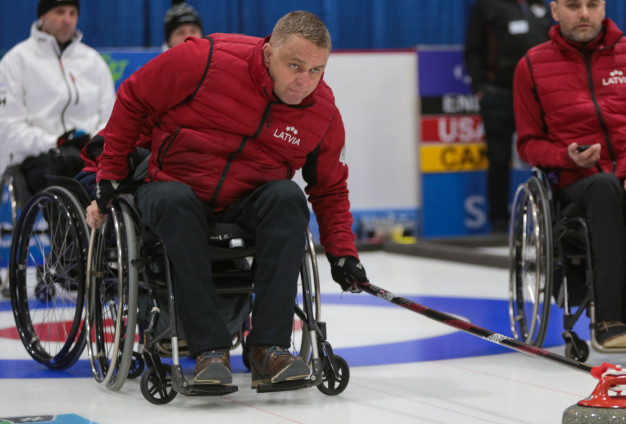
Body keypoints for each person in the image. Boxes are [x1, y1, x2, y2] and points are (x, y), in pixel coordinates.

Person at [85, 11, 369, 387]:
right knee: (175, 201)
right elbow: (134, 97)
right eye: (295, 65)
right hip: (173, 183)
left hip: (247, 199)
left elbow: (330, 188)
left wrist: (343, 253)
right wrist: (110, 175)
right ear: (269, 53)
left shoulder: (323, 112)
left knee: (288, 197)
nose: (304, 82)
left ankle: (268, 348)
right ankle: (208, 351)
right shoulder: (204, 59)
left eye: (317, 70)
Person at [513, 0, 626, 348]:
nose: (584, 13)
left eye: (592, 4)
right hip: (577, 185)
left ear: (604, 8)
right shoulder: (531, 66)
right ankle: (608, 319)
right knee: (604, 187)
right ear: (555, 11)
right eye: (573, 5)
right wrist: (565, 156)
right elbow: (527, 144)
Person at [0, 0, 115, 193]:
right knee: (67, 163)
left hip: (89, 153)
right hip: (38, 157)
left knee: (121, 166)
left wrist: (94, 141)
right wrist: (54, 141)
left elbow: (110, 117)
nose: (67, 20)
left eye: (72, 13)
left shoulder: (93, 61)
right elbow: (8, 127)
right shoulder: (15, 62)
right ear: (43, 16)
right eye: (60, 12)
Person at [464, 0, 551, 233]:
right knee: (499, 159)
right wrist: (481, 88)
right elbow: (472, 49)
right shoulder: (488, 6)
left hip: (538, 97)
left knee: (546, 157)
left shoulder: (540, 5)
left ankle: (549, 218)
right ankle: (499, 222)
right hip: (499, 95)